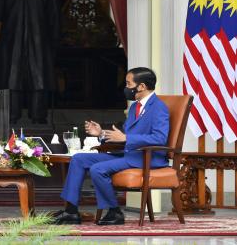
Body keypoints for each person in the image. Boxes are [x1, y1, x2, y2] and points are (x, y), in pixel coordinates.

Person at [53, 67, 169, 225]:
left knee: (98, 169)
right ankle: (71, 211)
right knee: (79, 159)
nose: (126, 88)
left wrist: (126, 138)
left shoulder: (159, 107)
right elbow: (122, 137)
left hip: (146, 158)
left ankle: (114, 212)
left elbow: (160, 138)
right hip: (128, 154)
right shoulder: (135, 106)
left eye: (128, 84)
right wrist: (101, 133)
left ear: (141, 86)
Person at [0, 0, 60, 124]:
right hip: (40, 41)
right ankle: (38, 119)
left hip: (11, 40)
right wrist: (54, 44)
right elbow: (55, 17)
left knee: (11, 78)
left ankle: (11, 120)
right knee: (39, 80)